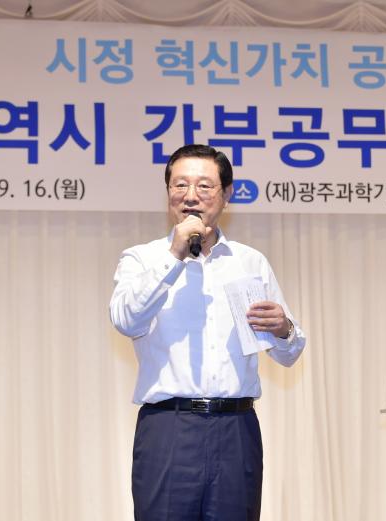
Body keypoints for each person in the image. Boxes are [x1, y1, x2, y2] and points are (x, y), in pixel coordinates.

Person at [109, 144, 306, 521]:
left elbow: (288, 354)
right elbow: (126, 320)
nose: (190, 195)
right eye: (180, 185)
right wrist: (174, 256)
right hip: (169, 427)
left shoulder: (250, 262)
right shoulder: (142, 258)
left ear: (226, 195)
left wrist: (284, 329)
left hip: (236, 429)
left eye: (204, 186)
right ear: (168, 192)